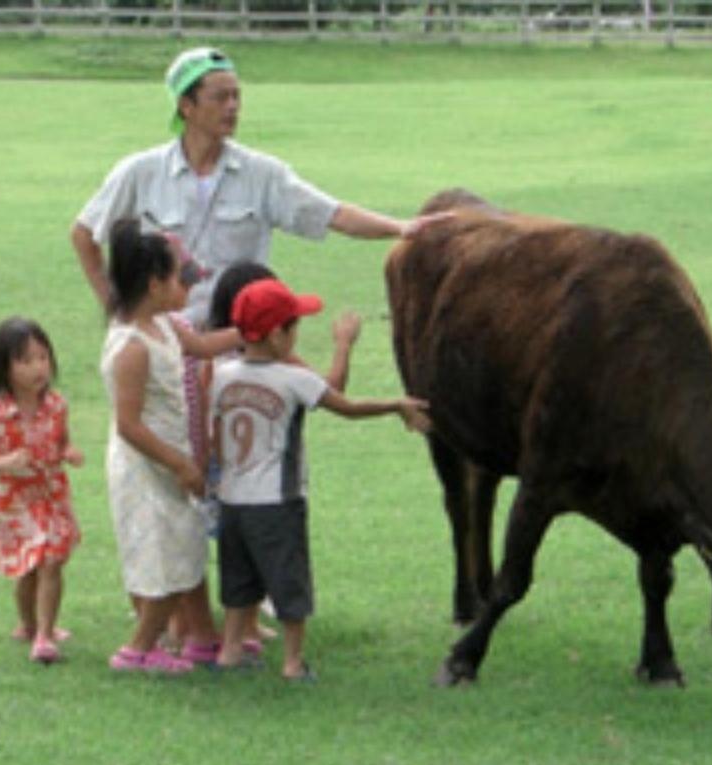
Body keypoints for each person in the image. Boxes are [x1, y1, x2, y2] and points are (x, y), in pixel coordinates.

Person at [70, 45, 449, 327]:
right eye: (220, 97)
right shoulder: (139, 172)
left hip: (238, 345)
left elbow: (333, 214)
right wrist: (117, 308)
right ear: (186, 106)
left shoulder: (262, 173)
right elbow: (84, 233)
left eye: (237, 96)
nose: (233, 106)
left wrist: (400, 228)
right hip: (165, 346)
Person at [209, 278, 431, 680]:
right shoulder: (294, 380)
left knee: (238, 582)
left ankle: (229, 651)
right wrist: (394, 403)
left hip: (231, 499)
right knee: (289, 581)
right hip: (278, 501)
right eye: (295, 327)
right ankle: (293, 663)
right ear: (278, 335)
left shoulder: (221, 376)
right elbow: (345, 405)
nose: (297, 335)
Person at [100, 217, 243, 674]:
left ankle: (154, 644)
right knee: (164, 555)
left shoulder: (165, 323)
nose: (189, 285)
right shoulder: (132, 347)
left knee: (181, 550)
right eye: (181, 276)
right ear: (154, 283)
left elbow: (201, 346)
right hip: (147, 466)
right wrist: (181, 464)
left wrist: (255, 328)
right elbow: (129, 424)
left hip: (169, 461)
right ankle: (138, 650)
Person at [205, 260, 362, 641]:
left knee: (231, 555)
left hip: (221, 475)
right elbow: (333, 391)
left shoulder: (215, 362)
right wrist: (343, 344)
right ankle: (262, 637)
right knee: (274, 552)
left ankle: (230, 632)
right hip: (273, 488)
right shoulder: (278, 363)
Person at [0, 317, 84, 665]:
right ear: (5, 367)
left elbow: (61, 443)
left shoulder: (57, 405)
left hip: (50, 495)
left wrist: (68, 453)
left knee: (50, 560)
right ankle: (30, 624)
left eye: (43, 358)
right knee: (29, 568)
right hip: (13, 503)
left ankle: (45, 633)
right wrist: (3, 463)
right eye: (26, 361)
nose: (37, 368)